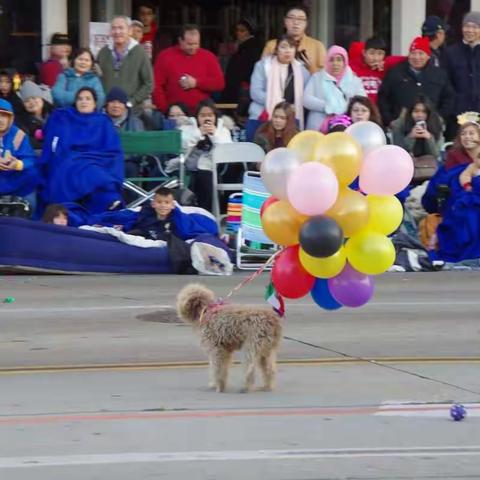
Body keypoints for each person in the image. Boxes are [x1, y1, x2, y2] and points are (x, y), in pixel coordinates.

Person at [41, 87, 124, 214]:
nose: (83, 101)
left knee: (93, 171)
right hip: (70, 159)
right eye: (80, 99)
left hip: (98, 160)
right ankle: (108, 199)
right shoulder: (65, 117)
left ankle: (106, 203)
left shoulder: (102, 121)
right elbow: (56, 144)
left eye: (88, 99)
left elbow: (112, 149)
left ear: (95, 103)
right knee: (76, 167)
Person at [378, 36, 454, 128]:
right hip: (401, 126)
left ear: (428, 56)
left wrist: (440, 118)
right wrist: (389, 120)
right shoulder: (395, 72)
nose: (417, 57)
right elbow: (383, 98)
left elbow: (449, 98)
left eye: (421, 53)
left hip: (432, 127)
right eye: (413, 53)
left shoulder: (439, 74)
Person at [152, 24, 225, 114]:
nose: (193, 47)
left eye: (196, 44)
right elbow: (156, 85)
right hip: (175, 113)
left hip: (201, 112)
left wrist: (196, 82)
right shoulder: (165, 56)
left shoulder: (208, 56)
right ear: (180, 40)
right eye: (189, 44)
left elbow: (219, 83)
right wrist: (165, 109)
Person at [248, 35, 309, 137]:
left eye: (291, 47)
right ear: (276, 49)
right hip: (263, 115)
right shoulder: (263, 66)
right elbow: (255, 92)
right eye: (283, 47)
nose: (288, 51)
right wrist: (279, 106)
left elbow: (306, 97)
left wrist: (288, 109)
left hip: (291, 118)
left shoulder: (302, 71)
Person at [97, 16, 153, 114]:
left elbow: (149, 84)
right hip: (106, 112)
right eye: (114, 28)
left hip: (132, 112)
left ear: (130, 31)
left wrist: (131, 102)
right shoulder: (103, 52)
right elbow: (97, 80)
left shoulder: (140, 52)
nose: (117, 32)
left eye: (121, 28)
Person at [183, 100, 232, 211]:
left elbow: (227, 151)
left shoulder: (223, 130)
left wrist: (215, 135)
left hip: (213, 169)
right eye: (202, 115)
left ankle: (206, 213)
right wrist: (198, 134)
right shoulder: (187, 128)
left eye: (210, 115)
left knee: (205, 177)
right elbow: (183, 147)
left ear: (215, 117)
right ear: (196, 117)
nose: (206, 119)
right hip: (189, 167)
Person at [303, 45, 365, 132]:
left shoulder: (354, 80)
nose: (335, 63)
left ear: (345, 62)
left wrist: (344, 107)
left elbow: (362, 101)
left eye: (339, 60)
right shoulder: (317, 77)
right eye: (331, 60)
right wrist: (328, 106)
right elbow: (306, 100)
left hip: (347, 126)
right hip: (319, 127)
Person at [445, 12, 480, 138]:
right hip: (457, 115)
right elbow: (446, 83)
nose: (470, 30)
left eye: (475, 27)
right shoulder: (450, 53)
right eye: (467, 26)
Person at [262, 5, 326, 74]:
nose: (296, 22)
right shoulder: (272, 45)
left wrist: (310, 69)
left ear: (306, 23)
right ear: (284, 21)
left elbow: (324, 76)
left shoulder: (317, 46)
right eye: (291, 18)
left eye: (301, 19)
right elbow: (262, 72)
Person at [0, 99, 38, 205]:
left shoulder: (18, 135)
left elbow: (30, 159)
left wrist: (17, 164)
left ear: (11, 118)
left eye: (4, 116)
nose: (1, 120)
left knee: (32, 172)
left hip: (13, 178)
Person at [220, 18, 262, 113]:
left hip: (241, 89)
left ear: (250, 32)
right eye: (237, 30)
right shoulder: (242, 46)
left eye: (242, 30)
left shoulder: (251, 47)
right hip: (236, 87)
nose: (238, 33)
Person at [348, 37, 388, 104]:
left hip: (377, 111)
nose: (375, 58)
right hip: (357, 109)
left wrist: (386, 62)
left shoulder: (385, 68)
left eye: (380, 54)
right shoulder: (352, 67)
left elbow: (403, 59)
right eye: (371, 53)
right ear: (364, 53)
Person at [16, 81, 53, 150]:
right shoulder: (20, 121)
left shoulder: (54, 113)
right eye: (27, 101)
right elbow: (26, 141)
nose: (31, 102)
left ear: (41, 98)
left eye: (34, 98)